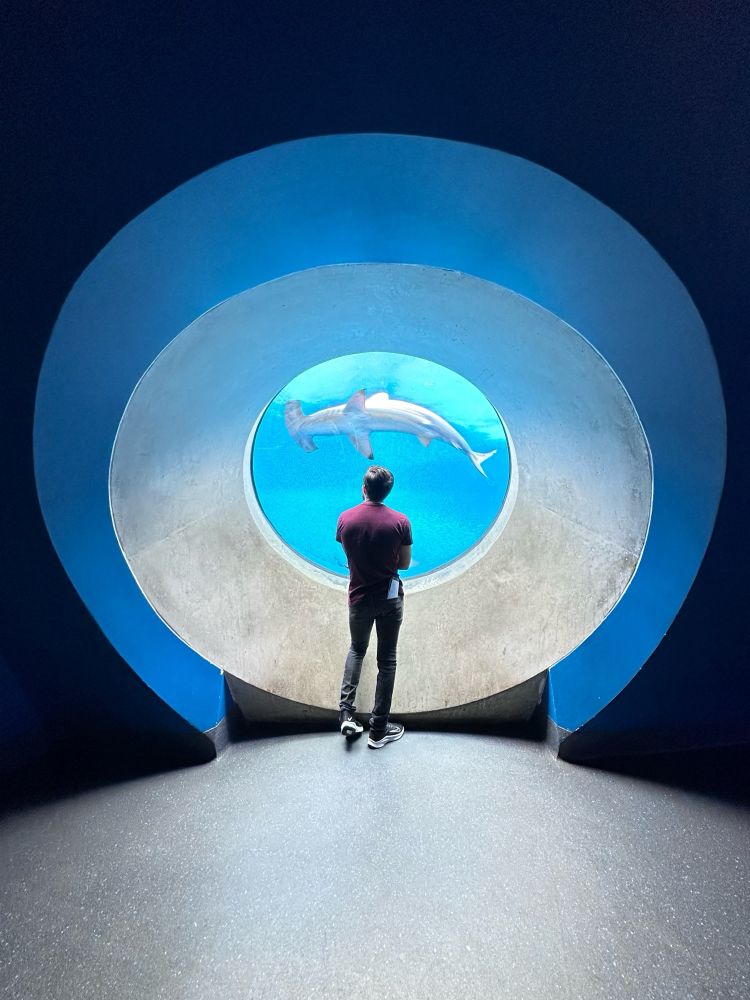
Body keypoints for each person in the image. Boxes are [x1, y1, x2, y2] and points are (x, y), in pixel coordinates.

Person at [336, 465, 412, 749]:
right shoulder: (400, 521)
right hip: (390, 599)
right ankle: (378, 730)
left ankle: (346, 713)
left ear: (363, 488)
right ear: (387, 492)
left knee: (357, 649)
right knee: (387, 660)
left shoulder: (345, 519)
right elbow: (403, 564)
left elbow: (350, 552)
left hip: (358, 598)